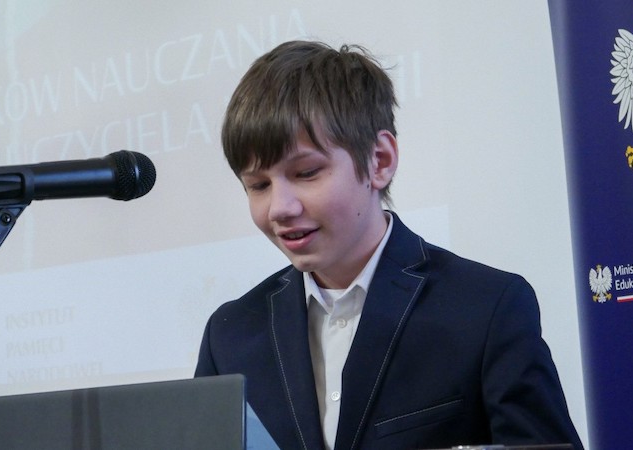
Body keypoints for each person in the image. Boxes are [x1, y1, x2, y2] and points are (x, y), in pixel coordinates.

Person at [194, 40, 583, 450]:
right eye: (258, 185)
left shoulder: (486, 307)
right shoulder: (230, 336)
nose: (279, 208)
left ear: (379, 160)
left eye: (306, 173)